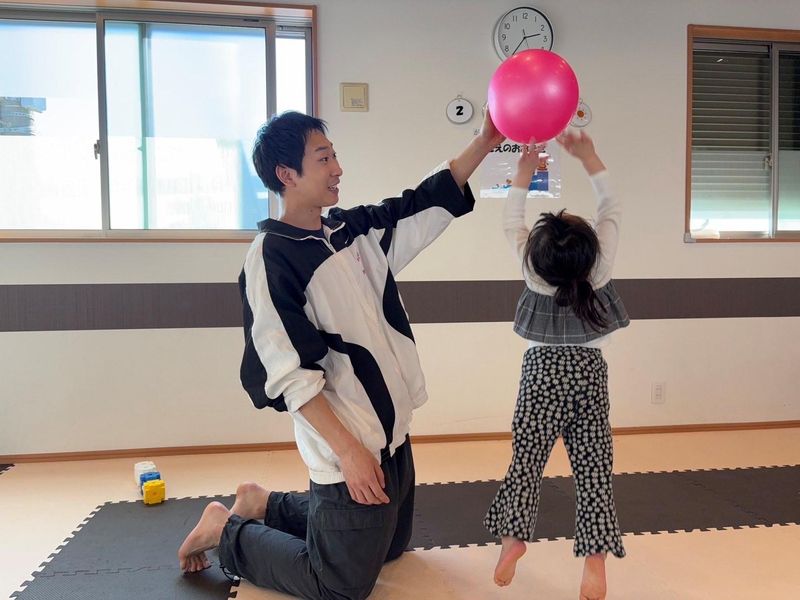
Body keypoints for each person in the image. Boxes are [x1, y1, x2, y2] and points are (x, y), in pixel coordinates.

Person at [177, 109, 504, 600]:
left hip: (392, 436)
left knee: (392, 548)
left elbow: (420, 202)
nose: (338, 169)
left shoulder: (348, 230)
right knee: (338, 586)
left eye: (334, 156)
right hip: (348, 442)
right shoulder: (271, 257)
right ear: (287, 174)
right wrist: (349, 453)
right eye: (323, 158)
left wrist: (484, 141)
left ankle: (262, 503)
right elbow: (288, 373)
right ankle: (225, 529)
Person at [483, 130, 629, 600]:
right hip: (588, 373)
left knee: (525, 461)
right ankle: (594, 561)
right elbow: (612, 207)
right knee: (593, 468)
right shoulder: (598, 269)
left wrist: (524, 172)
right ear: (590, 249)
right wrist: (589, 156)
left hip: (541, 374)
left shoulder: (533, 271)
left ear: (536, 253)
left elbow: (511, 219)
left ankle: (512, 540)